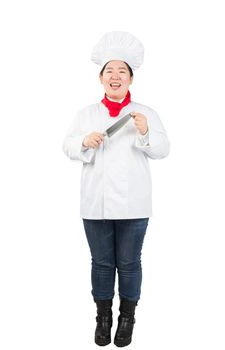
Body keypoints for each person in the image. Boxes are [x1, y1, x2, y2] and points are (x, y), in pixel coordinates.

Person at [63, 31, 170, 347]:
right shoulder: (86, 114)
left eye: (122, 71)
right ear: (100, 77)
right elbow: (67, 146)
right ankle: (103, 318)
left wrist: (146, 130)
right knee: (101, 263)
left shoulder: (145, 112)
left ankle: (127, 318)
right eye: (109, 70)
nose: (115, 76)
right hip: (95, 204)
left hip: (135, 205)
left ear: (130, 78)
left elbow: (163, 149)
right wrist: (84, 141)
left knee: (129, 263)